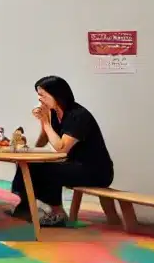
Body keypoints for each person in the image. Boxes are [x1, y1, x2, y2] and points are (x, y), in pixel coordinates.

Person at [18, 75, 114, 227]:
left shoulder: (78, 116)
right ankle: (23, 207)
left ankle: (58, 213)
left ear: (57, 95)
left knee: (48, 170)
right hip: (73, 165)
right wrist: (30, 151)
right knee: (27, 164)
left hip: (94, 170)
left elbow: (61, 148)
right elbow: (45, 139)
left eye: (42, 95)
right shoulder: (54, 113)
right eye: (38, 95)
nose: (39, 99)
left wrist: (45, 123)